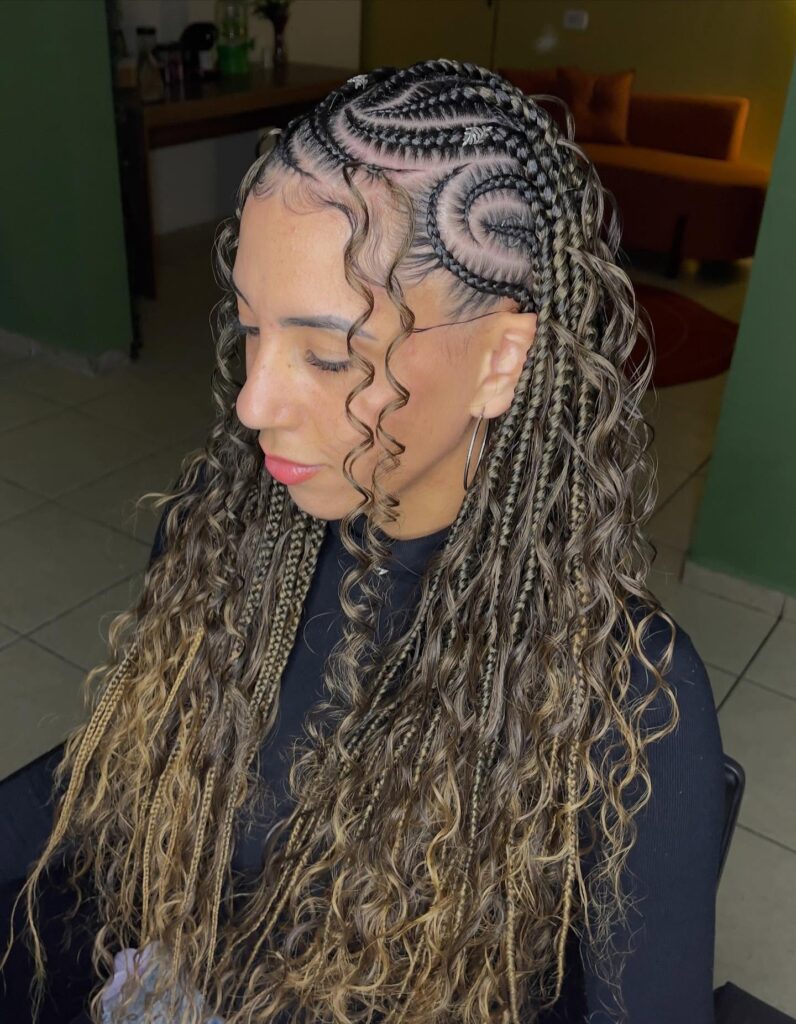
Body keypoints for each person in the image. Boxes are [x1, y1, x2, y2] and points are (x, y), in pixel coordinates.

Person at [0, 59, 725, 1024]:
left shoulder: (630, 699)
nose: (254, 402)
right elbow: (121, 764)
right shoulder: (225, 536)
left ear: (501, 360)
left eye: (329, 353)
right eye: (250, 330)